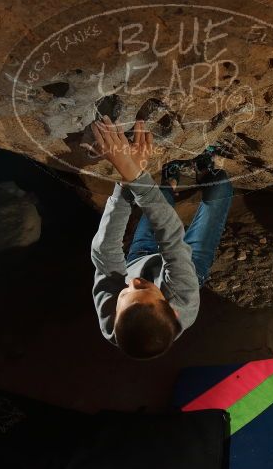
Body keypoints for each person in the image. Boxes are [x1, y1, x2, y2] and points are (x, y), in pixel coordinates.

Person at [90, 116, 233, 359]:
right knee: (222, 189)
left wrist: (126, 180)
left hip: (141, 256)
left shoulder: (111, 318)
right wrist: (135, 174)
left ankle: (170, 180)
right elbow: (171, 238)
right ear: (172, 310)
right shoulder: (184, 302)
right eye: (143, 287)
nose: (133, 282)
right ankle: (205, 171)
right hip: (190, 267)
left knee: (162, 197)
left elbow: (105, 252)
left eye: (124, 294)